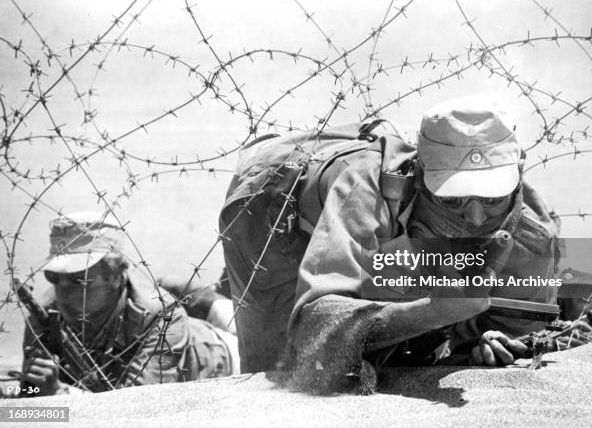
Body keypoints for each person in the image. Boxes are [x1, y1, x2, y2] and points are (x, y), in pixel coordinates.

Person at [275, 96, 563, 392]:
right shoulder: (368, 190)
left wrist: (486, 341)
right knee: (285, 374)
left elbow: (519, 334)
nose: (476, 219)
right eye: (452, 200)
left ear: (519, 173)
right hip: (278, 217)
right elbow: (311, 330)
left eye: (493, 199)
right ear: (420, 172)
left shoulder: (532, 237)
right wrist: (433, 312)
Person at [20, 212, 239, 396]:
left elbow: (139, 410)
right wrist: (32, 393)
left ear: (115, 276)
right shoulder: (43, 318)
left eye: (80, 280)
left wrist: (60, 395)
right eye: (55, 277)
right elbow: (28, 412)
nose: (64, 292)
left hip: (220, 359)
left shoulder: (163, 318)